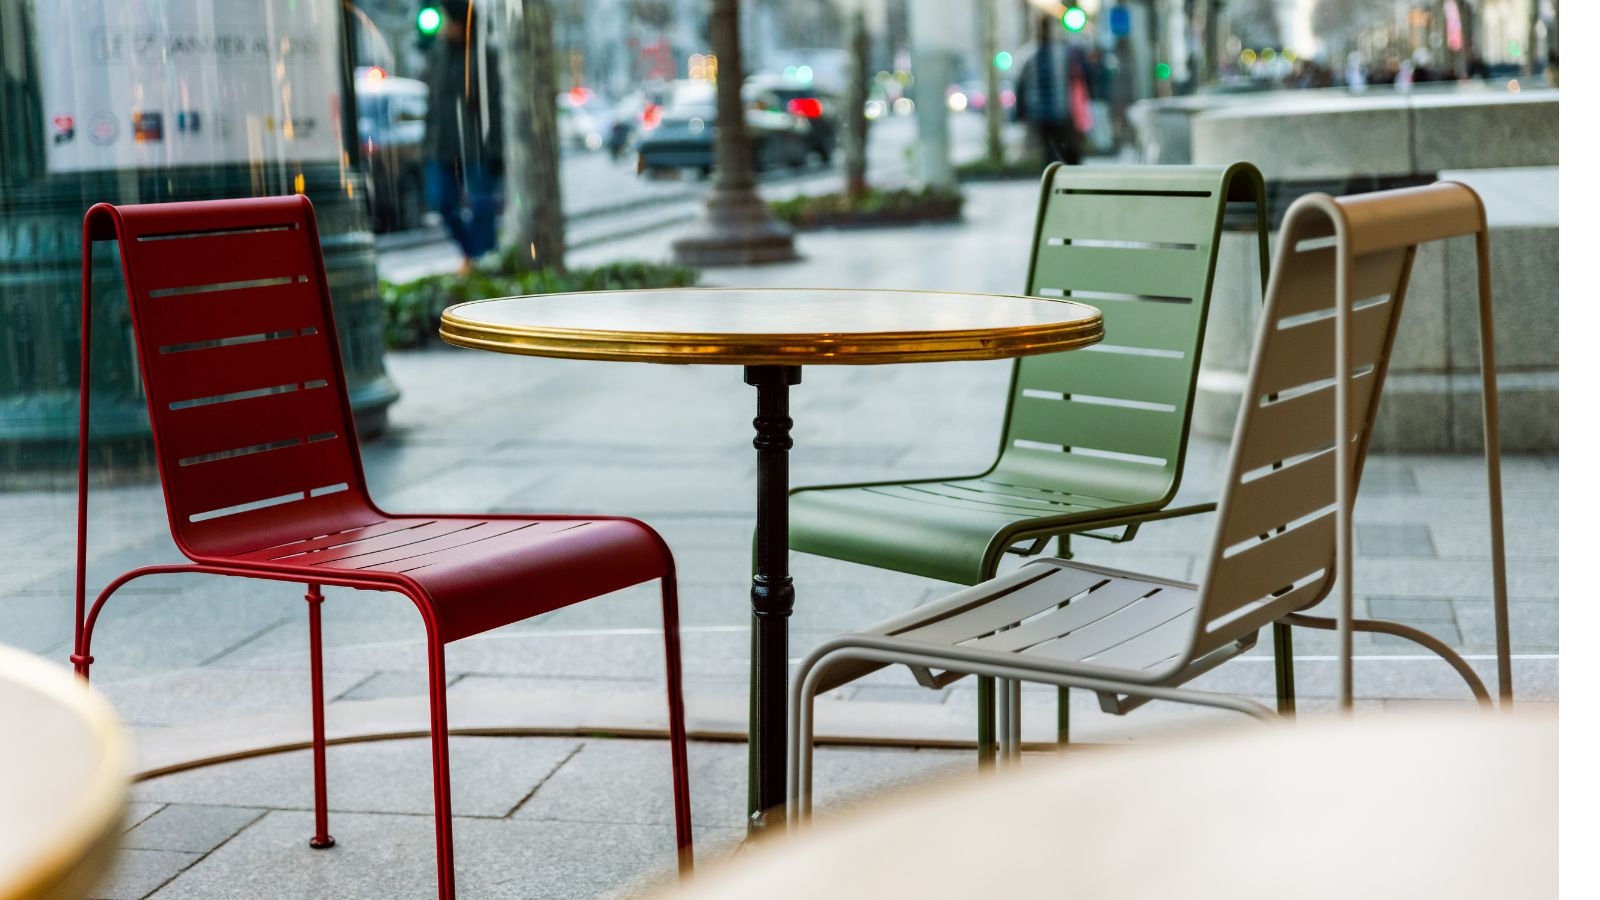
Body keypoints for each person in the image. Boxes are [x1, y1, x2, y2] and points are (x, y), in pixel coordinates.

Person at [422, 0, 504, 270]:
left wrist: (496, 150)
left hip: (477, 147)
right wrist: (428, 144)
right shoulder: (438, 54)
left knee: (481, 206)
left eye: (446, 18)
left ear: (460, 22)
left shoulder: (485, 55)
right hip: (441, 146)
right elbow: (433, 103)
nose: (442, 25)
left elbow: (494, 106)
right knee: (443, 204)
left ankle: (483, 261)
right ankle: (474, 255)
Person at [1015, 16, 1087, 167]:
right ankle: (1070, 181)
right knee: (1068, 150)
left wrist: (1021, 111)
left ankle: (1050, 182)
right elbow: (1076, 81)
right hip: (1061, 110)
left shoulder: (1030, 55)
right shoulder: (1064, 52)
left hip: (1040, 112)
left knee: (1049, 152)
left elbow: (1020, 86)